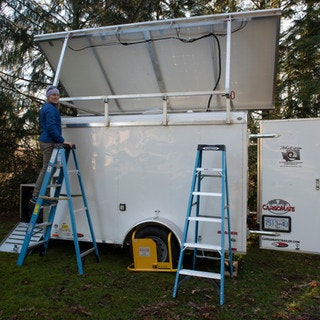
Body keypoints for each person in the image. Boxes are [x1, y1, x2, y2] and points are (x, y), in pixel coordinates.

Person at [31, 85, 72, 206]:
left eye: (57, 95)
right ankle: (37, 195)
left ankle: (43, 194)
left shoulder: (50, 108)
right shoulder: (50, 109)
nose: (56, 97)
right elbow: (51, 127)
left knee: (51, 168)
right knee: (47, 168)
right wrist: (62, 140)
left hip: (48, 141)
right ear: (48, 96)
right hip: (48, 142)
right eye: (53, 95)